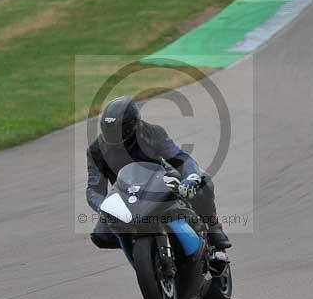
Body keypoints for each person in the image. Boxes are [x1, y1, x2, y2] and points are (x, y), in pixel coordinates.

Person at [86, 96, 232, 250]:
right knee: (101, 236)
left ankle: (214, 227)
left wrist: (191, 177)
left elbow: (180, 158)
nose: (113, 136)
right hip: (125, 197)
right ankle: (142, 250)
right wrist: (104, 206)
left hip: (161, 183)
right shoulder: (96, 150)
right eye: (109, 130)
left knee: (203, 181)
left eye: (118, 131)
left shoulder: (152, 133)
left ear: (134, 125)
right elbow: (94, 189)